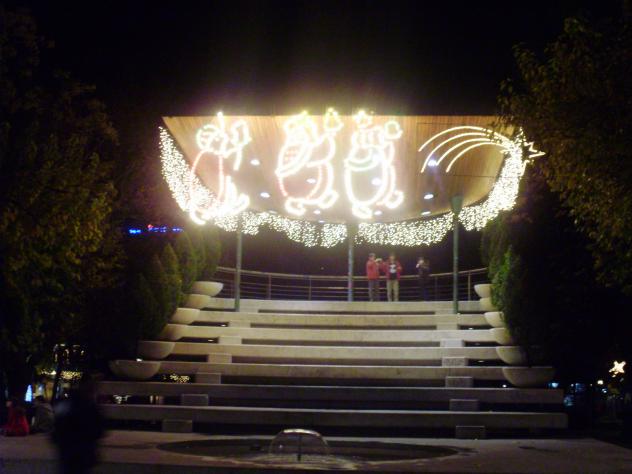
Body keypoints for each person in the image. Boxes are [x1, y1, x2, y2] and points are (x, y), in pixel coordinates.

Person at [52, 376, 105, 474]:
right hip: (81, 451)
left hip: (69, 451)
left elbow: (57, 426)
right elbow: (98, 430)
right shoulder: (90, 407)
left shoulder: (67, 403)